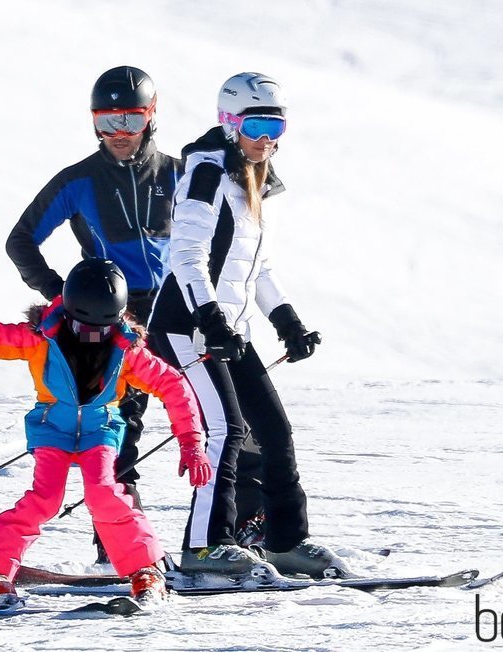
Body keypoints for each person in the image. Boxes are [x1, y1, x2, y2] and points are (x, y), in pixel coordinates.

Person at [0, 258, 212, 607]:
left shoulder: (127, 349)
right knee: (45, 498)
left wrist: (191, 443)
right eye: (83, 328)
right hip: (52, 427)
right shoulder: (41, 337)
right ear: (68, 313)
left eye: (100, 330)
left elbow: (173, 385)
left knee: (103, 493)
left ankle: (146, 570)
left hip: (100, 429)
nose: (91, 336)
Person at [148, 72, 336, 580]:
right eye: (257, 125)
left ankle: (285, 542)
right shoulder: (207, 171)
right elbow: (186, 254)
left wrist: (287, 322)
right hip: (187, 325)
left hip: (228, 328)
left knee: (274, 431)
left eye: (278, 126)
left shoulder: (251, 179)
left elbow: (256, 267)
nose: (268, 138)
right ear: (230, 124)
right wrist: (208, 316)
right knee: (225, 430)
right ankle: (204, 548)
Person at [5, 65, 182, 563]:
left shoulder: (180, 173)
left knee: (217, 416)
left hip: (181, 311)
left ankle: (234, 533)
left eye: (129, 119)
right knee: (121, 426)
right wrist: (68, 297)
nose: (118, 133)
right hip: (116, 322)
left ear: (151, 117)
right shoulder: (78, 180)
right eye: (106, 121)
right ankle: (119, 542)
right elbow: (20, 241)